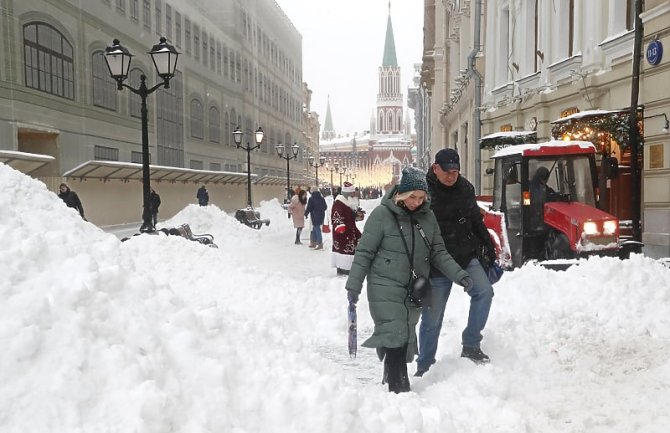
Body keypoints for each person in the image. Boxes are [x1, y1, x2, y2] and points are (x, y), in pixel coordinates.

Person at [345, 167, 471, 393]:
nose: (416, 202)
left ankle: (392, 372)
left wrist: (460, 275)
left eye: (421, 197)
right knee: (396, 332)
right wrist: (354, 286)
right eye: (412, 197)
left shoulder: (428, 218)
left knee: (405, 332)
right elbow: (364, 253)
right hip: (384, 286)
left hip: (413, 288)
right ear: (401, 194)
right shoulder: (381, 216)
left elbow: (438, 253)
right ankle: (399, 388)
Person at [415, 148, 496, 377]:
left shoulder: (465, 188)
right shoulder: (423, 192)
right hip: (437, 264)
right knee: (432, 316)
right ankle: (425, 364)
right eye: (447, 171)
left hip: (465, 256)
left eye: (455, 171)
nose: (452, 176)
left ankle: (471, 344)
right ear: (435, 169)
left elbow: (475, 220)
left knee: (484, 293)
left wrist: (487, 245)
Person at [331, 182, 362, 276]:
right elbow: (337, 216)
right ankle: (343, 269)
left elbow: (349, 216)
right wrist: (340, 226)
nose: (353, 194)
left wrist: (356, 216)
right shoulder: (339, 203)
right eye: (352, 192)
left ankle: (348, 268)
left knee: (350, 250)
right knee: (343, 250)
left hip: (350, 230)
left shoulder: (347, 202)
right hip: (343, 233)